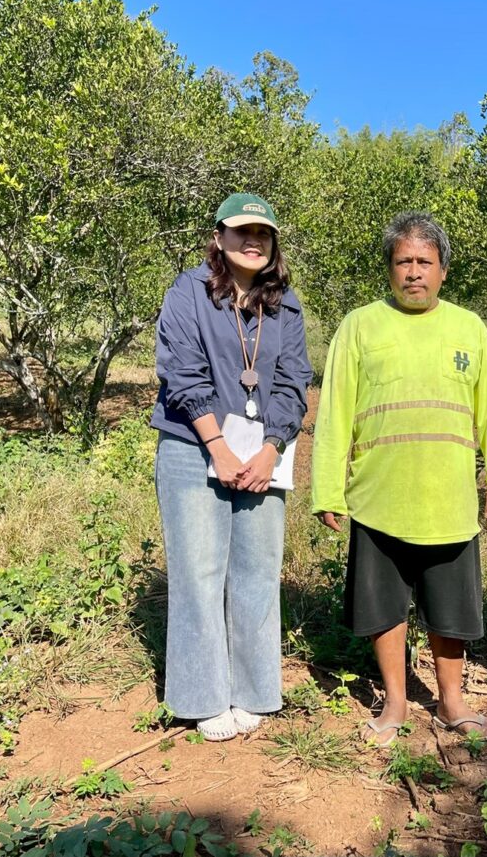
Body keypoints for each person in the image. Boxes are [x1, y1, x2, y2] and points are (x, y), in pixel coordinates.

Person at [311, 212, 487, 746]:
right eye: (403, 261)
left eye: (425, 261)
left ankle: (451, 702)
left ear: (443, 270)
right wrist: (328, 488)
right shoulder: (360, 326)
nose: (413, 272)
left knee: (451, 610)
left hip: (449, 501)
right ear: (389, 269)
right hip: (379, 499)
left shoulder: (469, 329)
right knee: (384, 608)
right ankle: (396, 704)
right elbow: (334, 413)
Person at [150, 193, 312, 741]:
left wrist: (270, 449)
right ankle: (203, 696)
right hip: (193, 446)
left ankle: (254, 690)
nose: (253, 241)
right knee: (199, 573)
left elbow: (293, 381)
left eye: (263, 233)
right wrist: (219, 447)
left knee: (257, 571)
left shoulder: (286, 306)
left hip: (262, 454)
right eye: (242, 231)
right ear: (219, 238)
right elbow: (181, 371)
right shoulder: (187, 292)